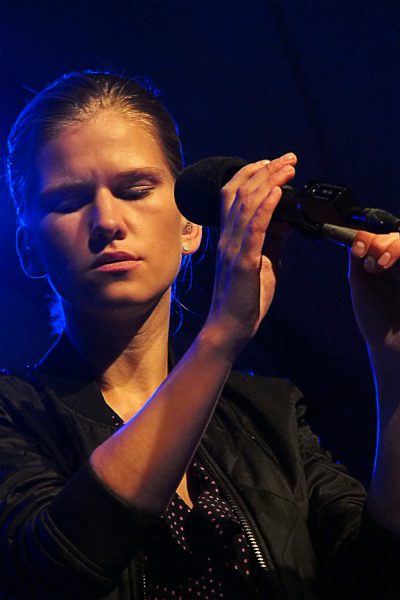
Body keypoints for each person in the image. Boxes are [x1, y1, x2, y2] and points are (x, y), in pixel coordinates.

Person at [0, 70, 399, 600]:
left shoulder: (267, 411)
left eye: (135, 189)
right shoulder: (16, 415)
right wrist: (223, 332)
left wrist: (392, 360)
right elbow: (56, 567)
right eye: (69, 200)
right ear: (28, 249)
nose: (107, 220)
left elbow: (375, 575)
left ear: (191, 225)